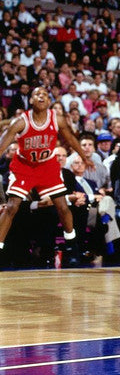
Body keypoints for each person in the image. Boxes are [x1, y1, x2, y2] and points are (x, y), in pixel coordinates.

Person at [0, 86, 94, 267]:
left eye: (44, 94)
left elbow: (72, 139)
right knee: (12, 207)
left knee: (62, 206)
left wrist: (84, 157)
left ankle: (71, 246)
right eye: (37, 94)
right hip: (24, 166)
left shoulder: (57, 119)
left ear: (49, 101)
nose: (41, 96)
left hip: (47, 167)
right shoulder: (21, 122)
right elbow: (3, 144)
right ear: (31, 101)